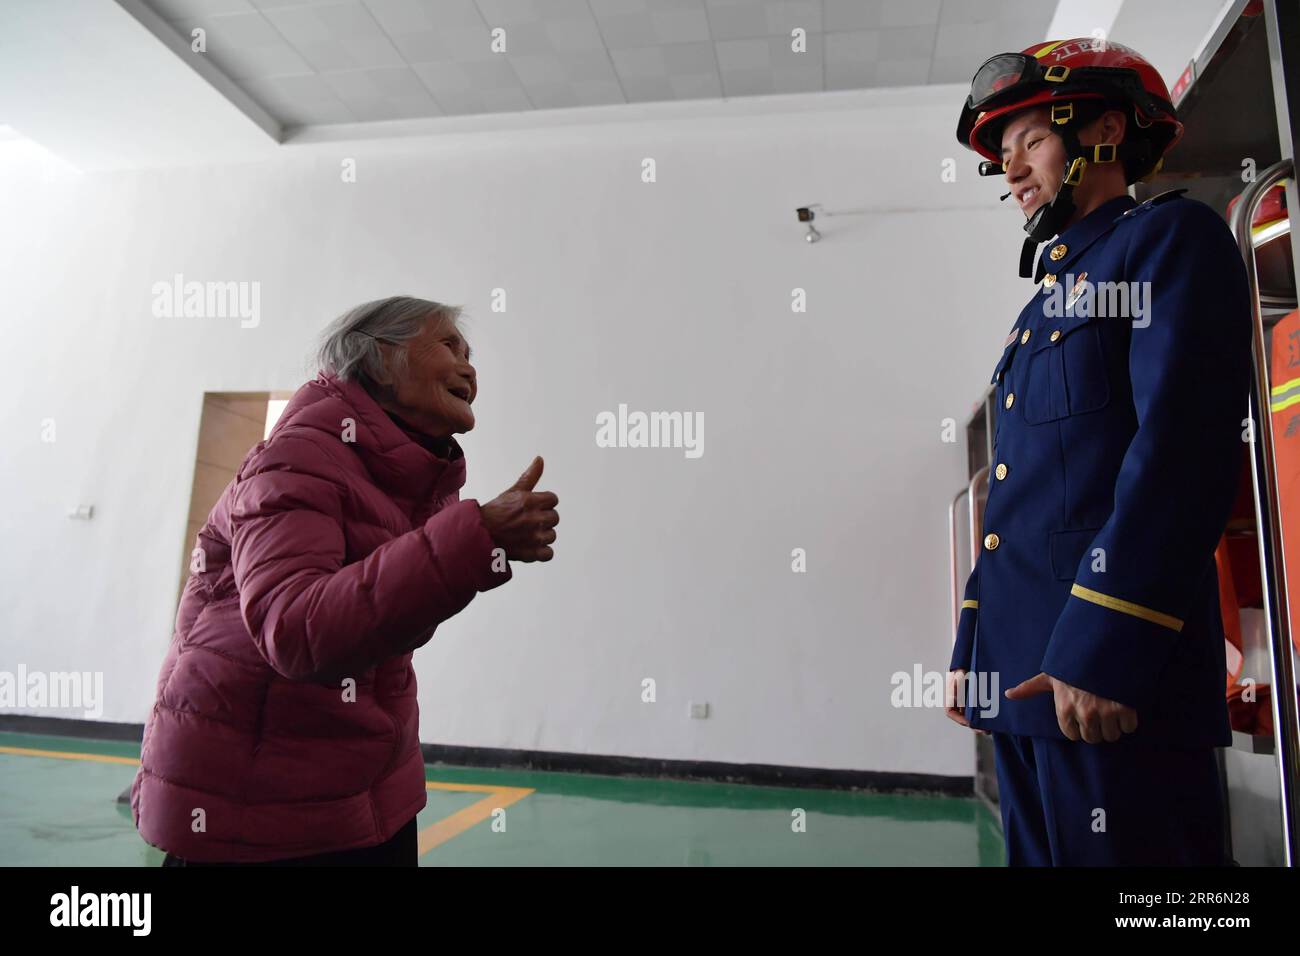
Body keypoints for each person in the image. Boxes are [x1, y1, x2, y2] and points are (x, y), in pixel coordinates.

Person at [943, 38, 1252, 865]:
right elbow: (1014, 498)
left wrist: (1104, 647)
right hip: (1025, 683)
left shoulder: (1169, 242)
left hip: (1109, 682)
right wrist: (974, 653)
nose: (1011, 171)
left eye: (1030, 142)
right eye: (1002, 157)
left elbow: (1181, 456)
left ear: (1105, 130)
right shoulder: (1041, 311)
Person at [132, 295, 560, 865]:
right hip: (260, 804)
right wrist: (474, 538)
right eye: (447, 346)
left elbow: (372, 624)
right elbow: (297, 630)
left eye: (470, 353)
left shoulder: (402, 478)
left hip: (366, 793)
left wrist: (476, 542)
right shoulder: (298, 458)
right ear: (379, 361)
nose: (468, 367)